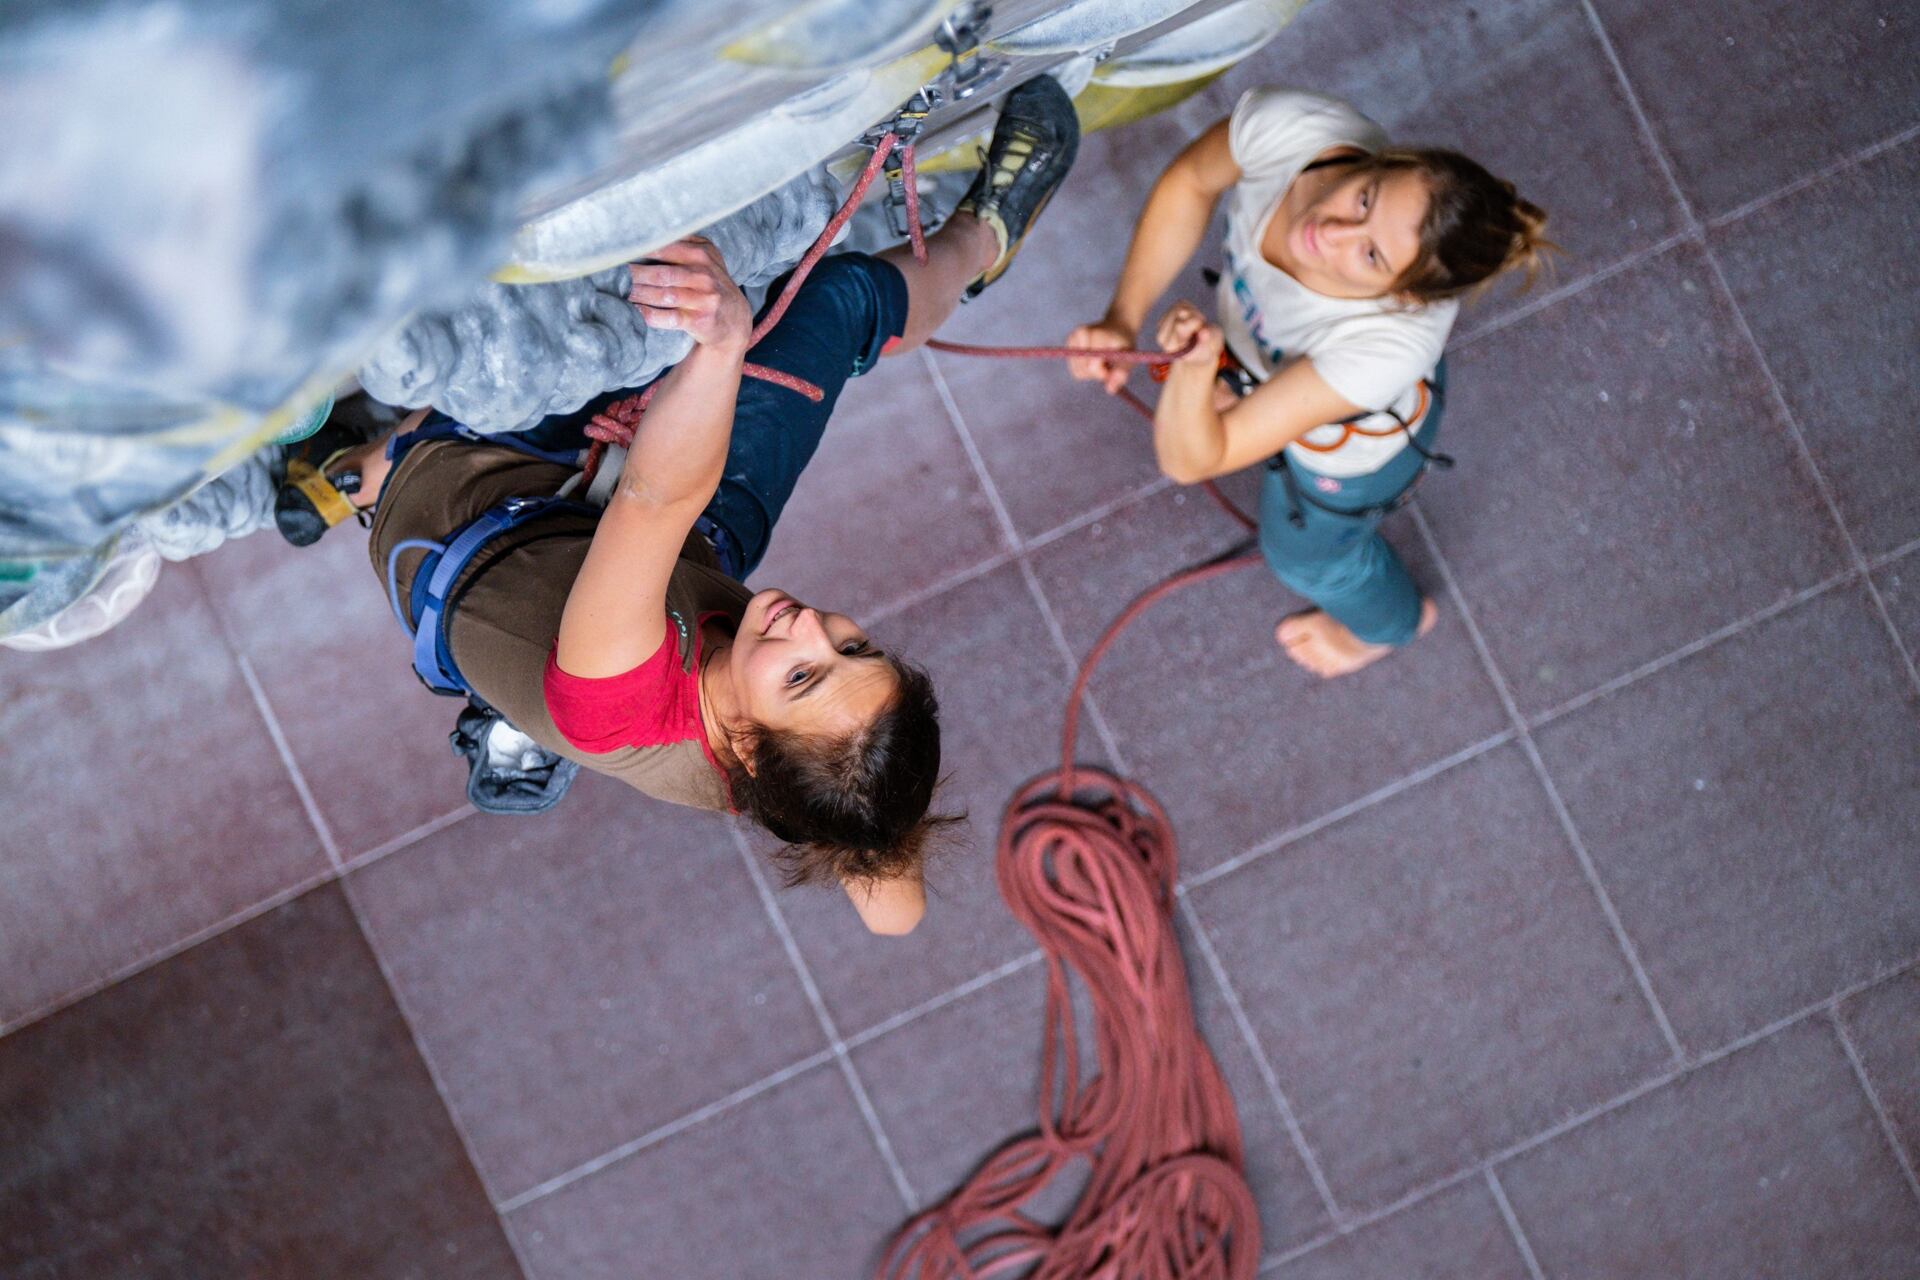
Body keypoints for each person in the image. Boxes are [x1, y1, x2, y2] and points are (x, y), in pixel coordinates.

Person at [309, 77, 1082, 935]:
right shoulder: (795, 775)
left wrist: (720, 345)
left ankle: (364, 470)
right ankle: (984, 242)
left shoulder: (622, 701)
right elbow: (896, 914)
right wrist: (873, 831)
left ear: (745, 746)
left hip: (481, 495)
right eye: (854, 645)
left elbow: (654, 496)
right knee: (839, 302)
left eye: (805, 674)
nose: (809, 625)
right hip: (681, 554)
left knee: (534, 359)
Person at [1067, 87, 1551, 678]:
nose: (1332, 230)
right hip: (1282, 366)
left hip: (1356, 451)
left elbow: (1191, 460)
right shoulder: (1298, 128)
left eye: (1370, 256)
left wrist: (1196, 373)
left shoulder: (1386, 349)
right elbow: (1191, 181)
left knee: (1306, 561)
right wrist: (1123, 316)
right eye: (1365, 198)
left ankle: (1391, 625)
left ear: (1402, 297)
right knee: (1235, 421)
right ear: (1385, 159)